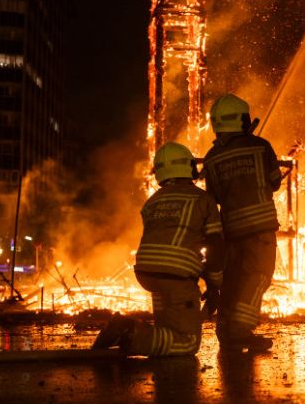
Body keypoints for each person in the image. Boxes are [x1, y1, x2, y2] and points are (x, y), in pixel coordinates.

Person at [93, 142, 224, 356]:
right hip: (175, 276)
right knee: (188, 343)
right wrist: (215, 284)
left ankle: (128, 331)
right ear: (188, 167)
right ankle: (130, 330)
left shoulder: (152, 201)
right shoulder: (202, 199)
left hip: (147, 273)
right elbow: (215, 245)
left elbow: (168, 241)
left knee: (167, 332)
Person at [202, 93, 282, 353]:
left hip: (230, 231)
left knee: (233, 281)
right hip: (260, 229)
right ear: (243, 120)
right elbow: (275, 181)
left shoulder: (212, 157)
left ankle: (225, 330)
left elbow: (212, 198)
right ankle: (241, 330)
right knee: (258, 277)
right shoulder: (261, 147)